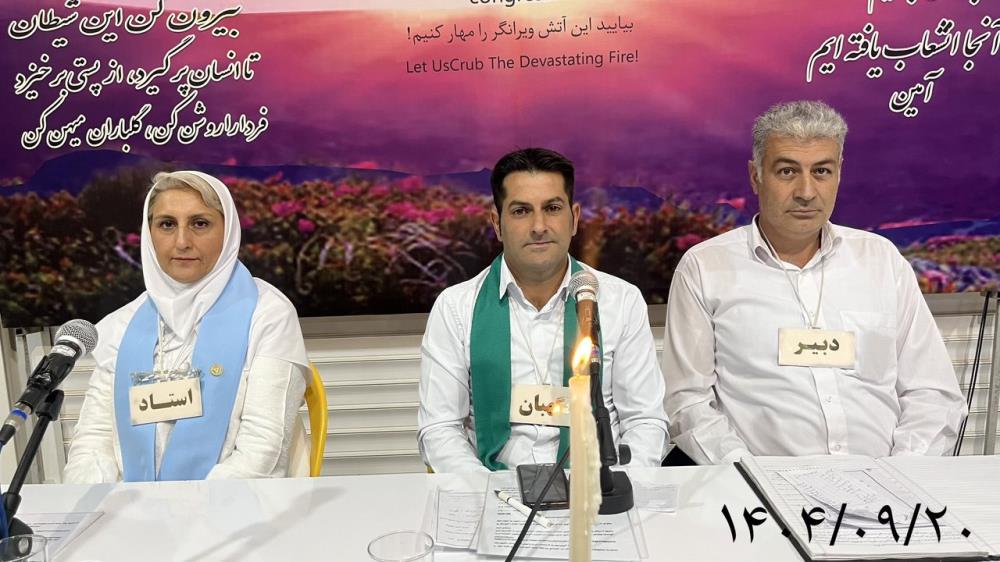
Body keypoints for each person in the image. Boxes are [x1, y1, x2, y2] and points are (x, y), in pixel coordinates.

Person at [662, 100, 967, 465]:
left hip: (886, 478)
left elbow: (932, 392)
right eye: (787, 172)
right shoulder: (705, 268)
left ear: (839, 173)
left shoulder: (881, 260)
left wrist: (902, 470)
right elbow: (687, 401)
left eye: (821, 171)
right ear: (756, 176)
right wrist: (748, 475)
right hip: (760, 485)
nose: (806, 191)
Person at [417, 147, 669, 472]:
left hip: (596, 488)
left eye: (552, 208)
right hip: (493, 487)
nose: (539, 226)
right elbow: (439, 429)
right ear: (497, 223)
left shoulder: (620, 301)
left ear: (574, 218)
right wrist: (485, 491)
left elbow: (645, 421)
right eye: (521, 211)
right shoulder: (455, 308)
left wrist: (614, 487)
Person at [64, 171, 310, 482]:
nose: (182, 242)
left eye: (200, 223)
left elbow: (262, 452)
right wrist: (100, 501)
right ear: (149, 233)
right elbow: (93, 440)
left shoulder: (268, 315)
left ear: (228, 231)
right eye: (167, 224)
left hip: (233, 503)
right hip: (131, 505)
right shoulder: (122, 324)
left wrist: (191, 507)